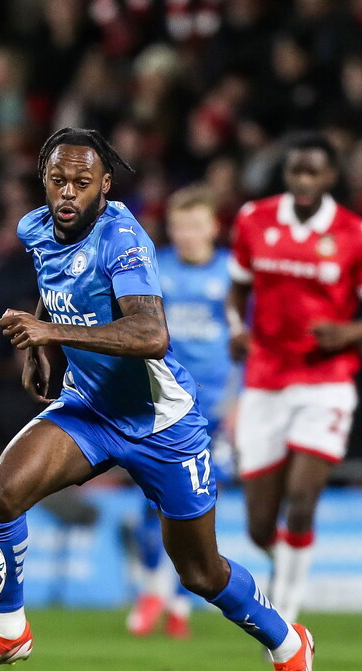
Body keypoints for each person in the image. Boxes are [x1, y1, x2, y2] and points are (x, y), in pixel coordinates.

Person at [0, 128, 315, 671]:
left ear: (105, 186)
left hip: (162, 423)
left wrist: (53, 333)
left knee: (199, 573)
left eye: (82, 183)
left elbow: (150, 335)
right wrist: (40, 342)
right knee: (0, 496)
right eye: (58, 180)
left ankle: (288, 644)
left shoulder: (123, 239)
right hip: (90, 409)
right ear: (43, 181)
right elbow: (55, 287)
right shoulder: (35, 229)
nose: (68, 192)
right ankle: (9, 629)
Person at [227, 132, 362, 625]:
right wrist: (237, 329)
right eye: (294, 171)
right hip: (264, 379)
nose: (302, 180)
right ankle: (284, 564)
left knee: (301, 501)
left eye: (312, 172)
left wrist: (348, 333)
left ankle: (286, 617)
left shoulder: (357, 234)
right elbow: (236, 292)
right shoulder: (253, 219)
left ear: (330, 177)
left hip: (326, 380)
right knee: (260, 526)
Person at [126, 184, 235, 640]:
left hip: (217, 408)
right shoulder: (157, 270)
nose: (187, 234)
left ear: (213, 227)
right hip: (165, 402)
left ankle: (169, 599)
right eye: (179, 226)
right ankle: (165, 597)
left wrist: (238, 401)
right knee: (152, 504)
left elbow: (248, 342)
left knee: (195, 504)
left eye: (195, 225)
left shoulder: (232, 273)